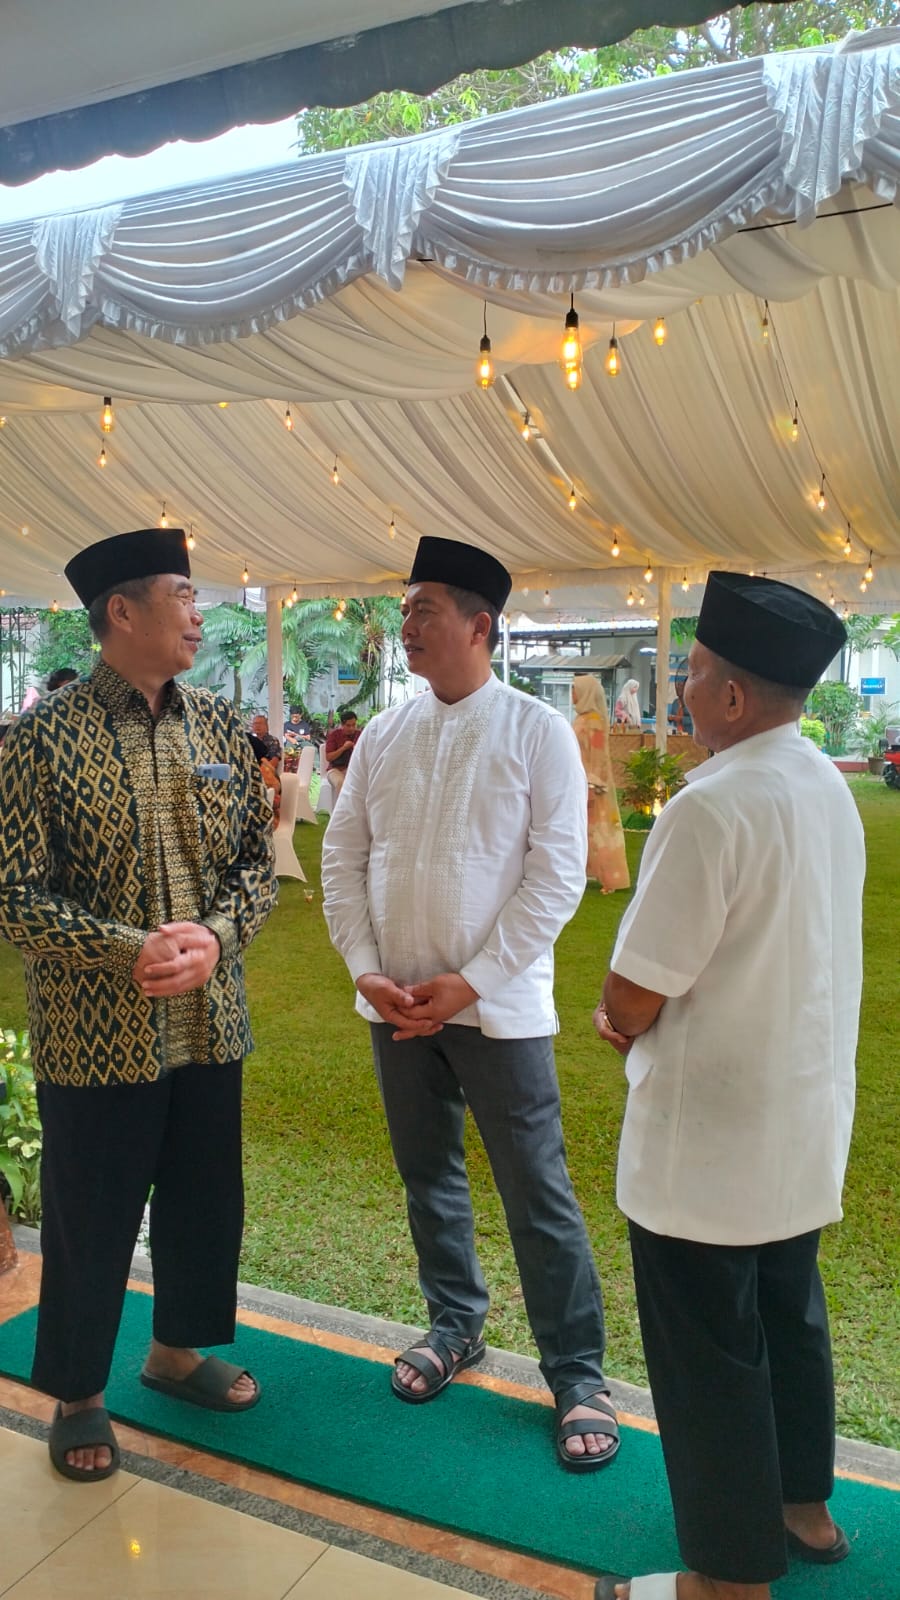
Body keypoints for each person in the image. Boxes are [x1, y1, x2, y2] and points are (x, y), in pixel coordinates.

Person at [591, 572, 863, 1600]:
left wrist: (618, 1021)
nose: (681, 689)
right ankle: (804, 1511)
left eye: (693, 673)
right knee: (789, 1315)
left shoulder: (710, 806)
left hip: (709, 1133)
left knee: (709, 1354)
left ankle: (726, 1579)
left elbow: (635, 988)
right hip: (800, 1119)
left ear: (736, 697)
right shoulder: (826, 785)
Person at [322, 535, 618, 1472]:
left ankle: (577, 1374)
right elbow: (343, 857)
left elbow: (557, 877)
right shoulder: (385, 733)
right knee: (429, 1178)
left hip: (499, 1012)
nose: (406, 625)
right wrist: (365, 969)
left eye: (423, 610)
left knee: (537, 1191)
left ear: (480, 624)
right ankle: (455, 1324)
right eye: (405, 609)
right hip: (396, 1007)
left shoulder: (536, 731)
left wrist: (473, 981)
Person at [0, 527, 277, 1483]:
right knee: (92, 1213)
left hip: (210, 1020)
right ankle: (79, 1394)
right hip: (95, 1034)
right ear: (121, 611)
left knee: (205, 1198)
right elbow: (13, 896)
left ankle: (176, 1354)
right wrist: (131, 950)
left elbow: (256, 868)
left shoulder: (220, 730)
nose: (200, 613)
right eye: (183, 595)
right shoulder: (42, 738)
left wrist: (218, 937)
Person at [572, 676, 630, 893]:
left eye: (575, 689)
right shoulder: (581, 719)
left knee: (600, 831)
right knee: (582, 830)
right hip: (579, 782)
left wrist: (593, 783)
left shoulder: (594, 722)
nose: (572, 694)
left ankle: (610, 879)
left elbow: (598, 754)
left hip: (592, 786)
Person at [323, 707, 360, 797]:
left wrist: (356, 749)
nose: (352, 728)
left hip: (354, 769)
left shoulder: (360, 734)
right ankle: (342, 806)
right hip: (335, 769)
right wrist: (343, 748)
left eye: (354, 725)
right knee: (341, 782)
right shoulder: (334, 735)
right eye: (348, 725)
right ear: (342, 725)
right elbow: (329, 757)